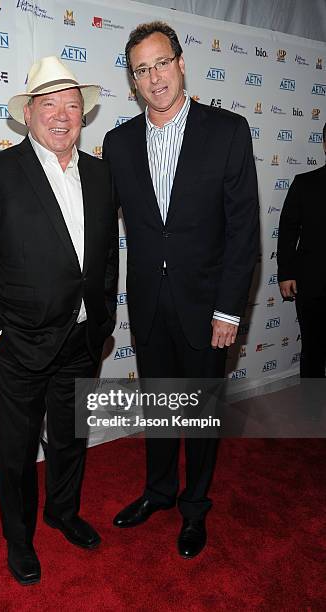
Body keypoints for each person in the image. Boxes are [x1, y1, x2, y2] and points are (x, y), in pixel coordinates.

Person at [0, 56, 118, 585]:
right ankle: (19, 540)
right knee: (19, 452)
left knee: (71, 438)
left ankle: (63, 514)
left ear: (83, 114)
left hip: (82, 338)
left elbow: (106, 255)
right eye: (50, 104)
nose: (62, 115)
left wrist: (104, 319)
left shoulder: (99, 173)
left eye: (72, 104)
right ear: (28, 114)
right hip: (20, 342)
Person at [103, 21, 259, 559]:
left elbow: (244, 230)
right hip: (148, 304)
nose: (154, 77)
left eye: (161, 63)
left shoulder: (228, 131)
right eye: (141, 68)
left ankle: (195, 508)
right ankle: (159, 492)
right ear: (133, 79)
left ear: (182, 63)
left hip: (207, 306)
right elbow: (102, 228)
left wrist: (229, 311)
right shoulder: (118, 143)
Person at [277, 122, 326, 377]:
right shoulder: (305, 184)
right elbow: (287, 231)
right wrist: (285, 273)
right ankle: (311, 408)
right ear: (325, 144)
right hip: (314, 284)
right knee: (314, 349)